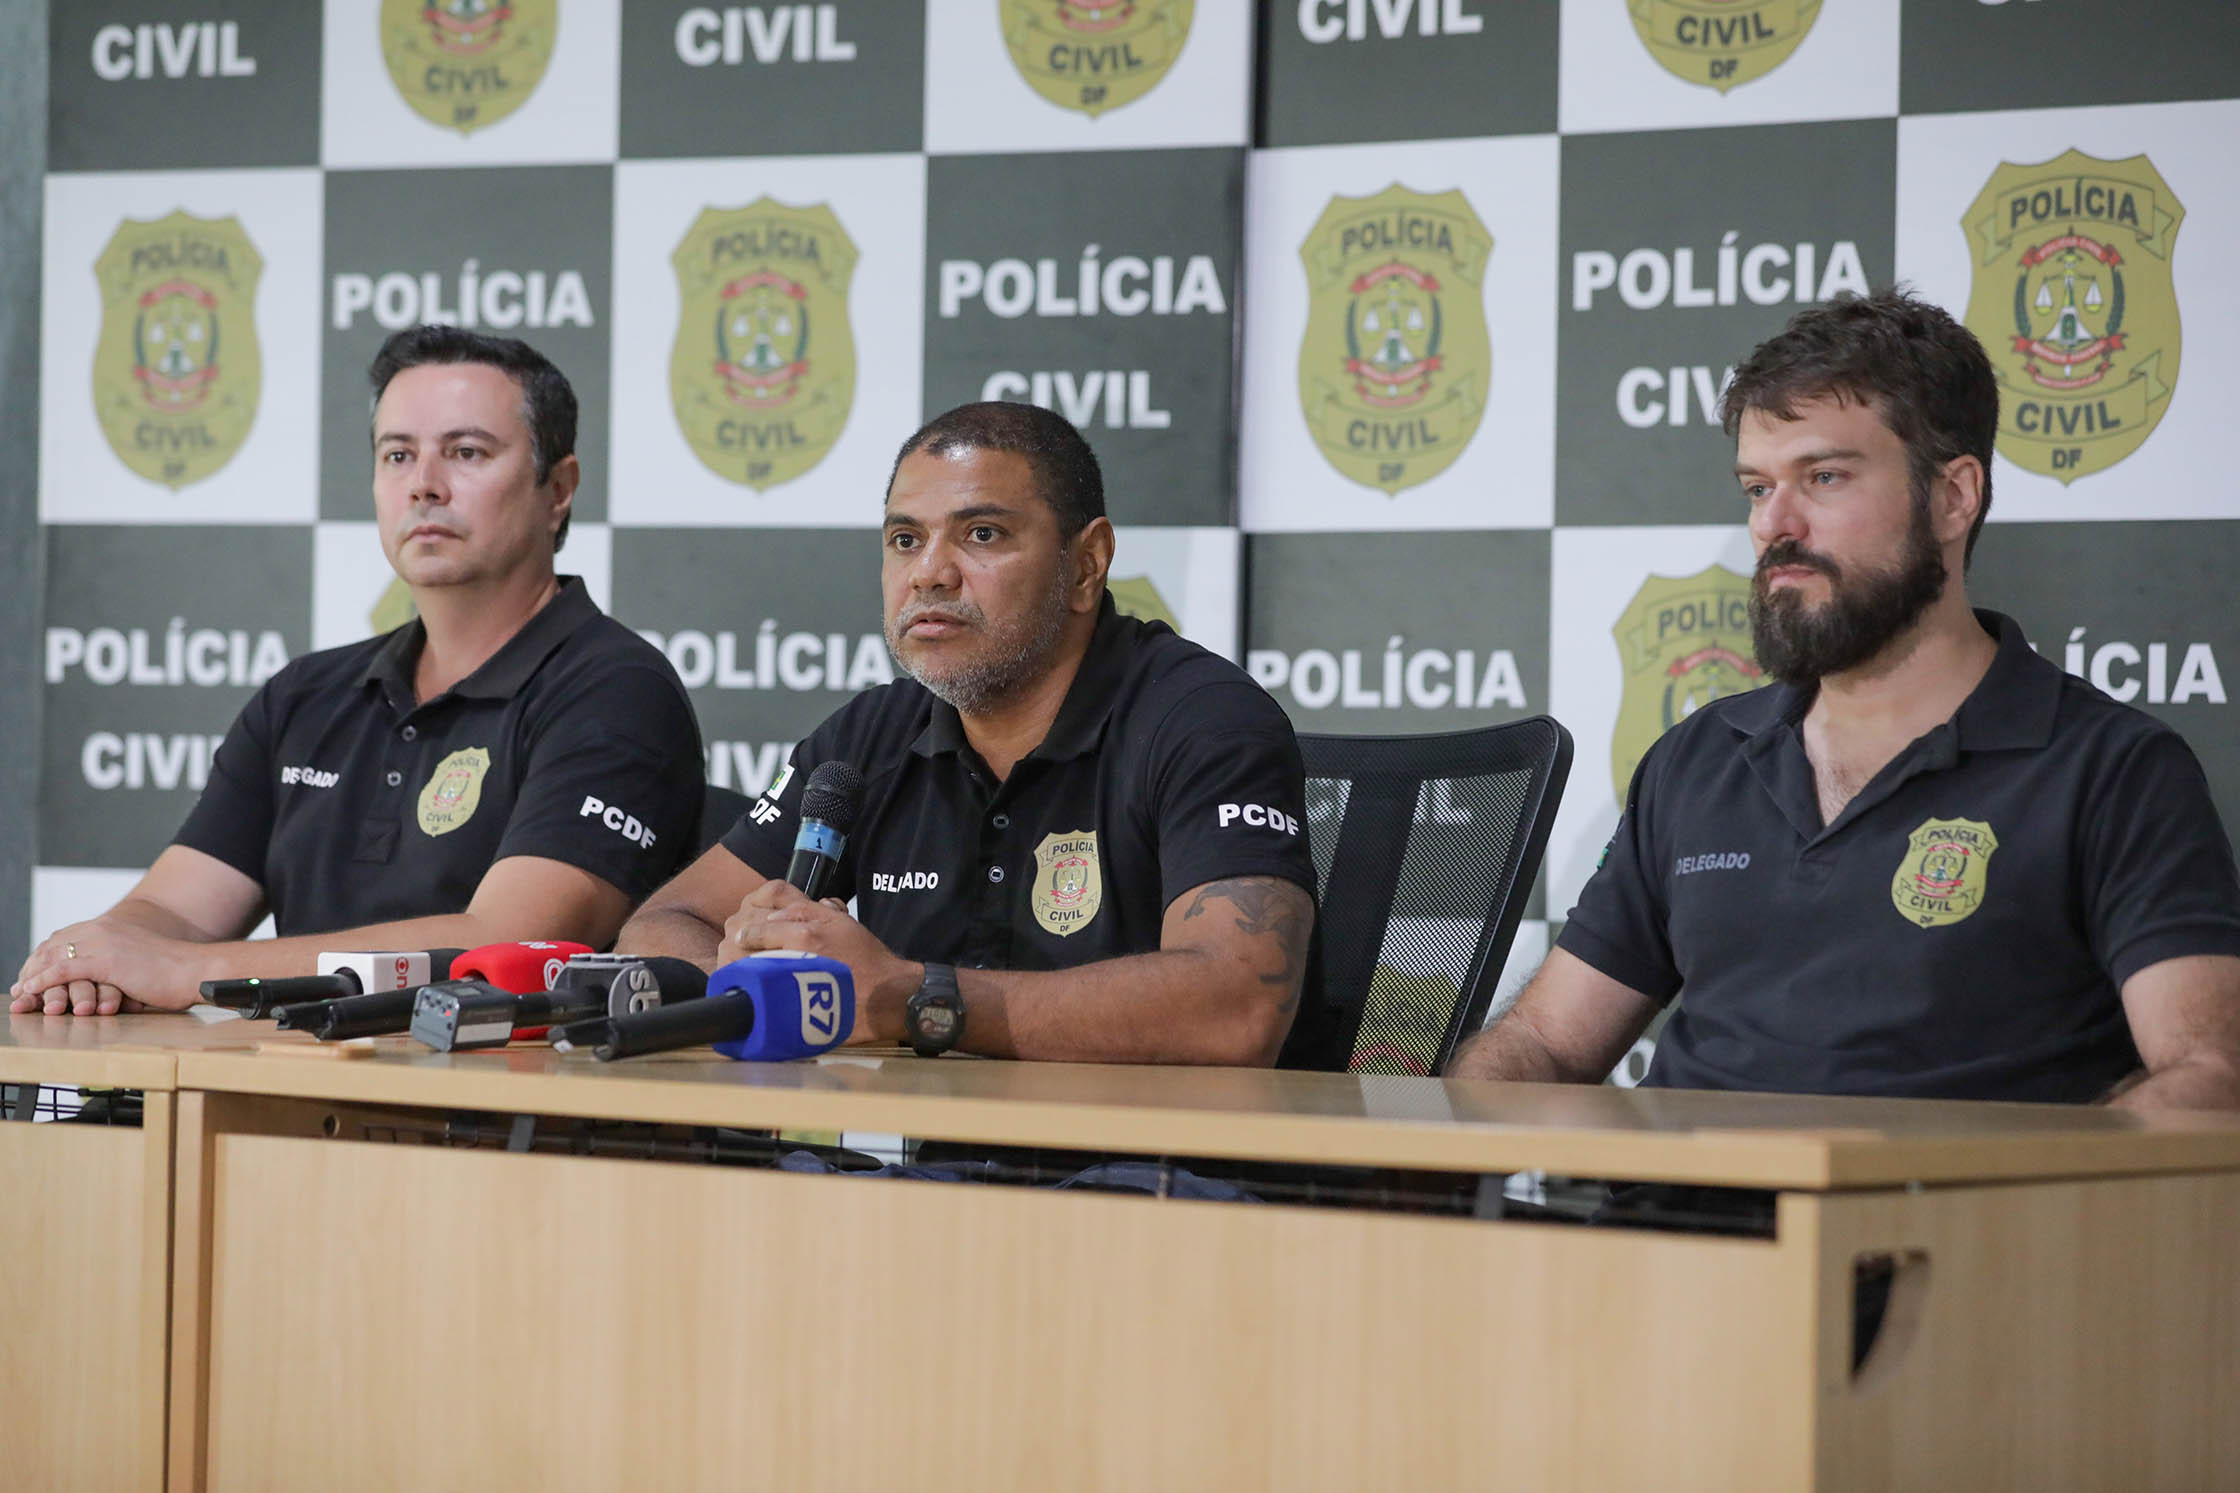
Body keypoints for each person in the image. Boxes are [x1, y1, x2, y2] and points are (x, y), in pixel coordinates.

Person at [1450, 288, 2240, 1110]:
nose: (1775, 524)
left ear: (1953, 497)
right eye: (1758, 488)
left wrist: (2037, 1183)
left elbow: (2210, 1076)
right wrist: (1458, 1134)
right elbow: (1544, 1042)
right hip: (1677, 1192)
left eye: (1823, 477)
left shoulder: (2113, 770)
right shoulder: (1697, 759)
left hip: (1931, 1196)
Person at [11, 326, 706, 1015]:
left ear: (558, 488)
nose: (424, 485)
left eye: (466, 452)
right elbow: (173, 911)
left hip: (507, 1088)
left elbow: (508, 943)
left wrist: (192, 970)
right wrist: (91, 958)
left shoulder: (617, 689)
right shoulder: (304, 695)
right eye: (398, 455)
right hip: (288, 1082)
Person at [617, 401, 1319, 1064]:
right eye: (905, 540)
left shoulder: (1204, 720)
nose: (929, 573)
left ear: (1087, 564)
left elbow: (1241, 1006)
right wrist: (748, 979)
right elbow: (660, 924)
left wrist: (911, 997)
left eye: (982, 534)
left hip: (1141, 1153)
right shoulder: (870, 736)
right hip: (920, 1150)